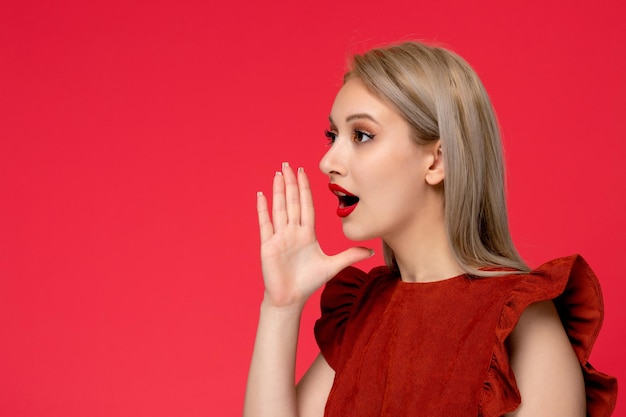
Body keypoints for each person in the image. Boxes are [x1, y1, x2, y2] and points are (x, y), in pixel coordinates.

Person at [243, 41, 617, 416]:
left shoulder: (520, 322)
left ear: (438, 160)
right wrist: (281, 306)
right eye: (332, 136)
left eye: (362, 135)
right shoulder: (364, 309)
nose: (328, 162)